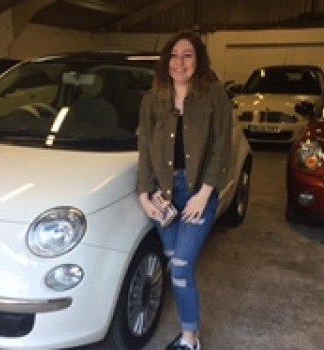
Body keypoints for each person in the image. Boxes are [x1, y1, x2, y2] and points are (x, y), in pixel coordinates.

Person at [137, 30, 232, 350]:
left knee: (180, 266)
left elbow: (221, 147)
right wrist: (144, 194)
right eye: (174, 55)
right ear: (166, 61)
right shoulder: (152, 101)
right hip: (164, 194)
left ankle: (190, 338)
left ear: (199, 60)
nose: (179, 62)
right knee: (172, 258)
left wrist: (204, 194)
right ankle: (188, 326)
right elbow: (145, 149)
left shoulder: (214, 95)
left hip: (197, 191)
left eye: (187, 55)